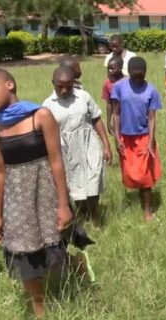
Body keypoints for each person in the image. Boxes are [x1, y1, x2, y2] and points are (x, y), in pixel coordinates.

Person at [0, 68, 74, 317]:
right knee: (24, 252)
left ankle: (76, 266)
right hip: (15, 198)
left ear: (9, 84)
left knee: (54, 250)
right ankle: (39, 306)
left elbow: (56, 161)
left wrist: (63, 205)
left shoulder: (40, 116)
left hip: (46, 192)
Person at [43, 67, 113, 223]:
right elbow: (46, 134)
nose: (64, 90)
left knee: (93, 179)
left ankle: (94, 215)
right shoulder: (47, 105)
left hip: (88, 143)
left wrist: (106, 145)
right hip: (66, 149)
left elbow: (96, 118)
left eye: (68, 85)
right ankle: (83, 215)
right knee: (75, 183)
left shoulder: (83, 96)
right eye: (60, 86)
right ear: (53, 83)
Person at [111, 57, 162, 222]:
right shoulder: (119, 87)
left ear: (146, 73)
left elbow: (152, 118)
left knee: (145, 176)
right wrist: (117, 138)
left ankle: (148, 211)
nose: (138, 79)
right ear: (128, 73)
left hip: (144, 137)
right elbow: (116, 113)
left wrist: (150, 141)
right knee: (131, 174)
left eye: (141, 76)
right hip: (126, 138)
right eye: (135, 76)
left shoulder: (151, 91)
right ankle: (138, 201)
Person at [101, 56, 124, 137]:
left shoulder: (127, 81)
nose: (109, 71)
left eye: (112, 68)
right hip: (117, 119)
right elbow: (109, 104)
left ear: (120, 68)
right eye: (108, 68)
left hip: (129, 117)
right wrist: (108, 121)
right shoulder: (107, 83)